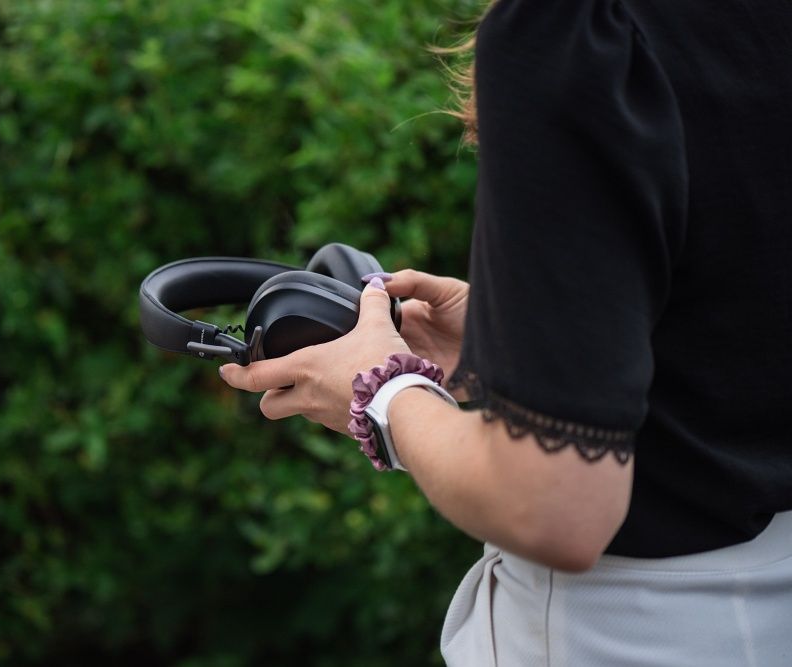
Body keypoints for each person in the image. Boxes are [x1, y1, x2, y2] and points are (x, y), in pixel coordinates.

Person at [220, 0, 792, 664]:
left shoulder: (574, 30)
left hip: (623, 638)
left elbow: (553, 506)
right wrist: (529, 341)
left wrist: (383, 390)